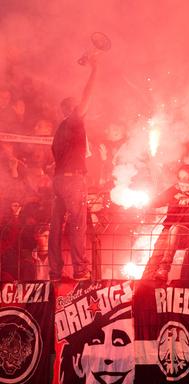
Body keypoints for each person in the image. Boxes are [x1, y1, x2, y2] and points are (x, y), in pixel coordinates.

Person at [48, 55, 97, 281]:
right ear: (74, 109)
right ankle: (80, 270)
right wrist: (94, 69)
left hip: (58, 181)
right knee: (78, 225)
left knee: (56, 226)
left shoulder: (60, 130)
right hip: (72, 182)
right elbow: (88, 95)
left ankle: (55, 272)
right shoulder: (74, 121)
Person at [142, 164, 189, 281]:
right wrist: (170, 195)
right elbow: (157, 202)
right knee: (155, 257)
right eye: (180, 177)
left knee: (176, 229)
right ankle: (144, 284)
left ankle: (164, 269)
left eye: (185, 177)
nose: (182, 180)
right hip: (168, 231)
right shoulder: (174, 190)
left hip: (188, 234)